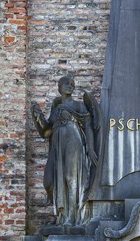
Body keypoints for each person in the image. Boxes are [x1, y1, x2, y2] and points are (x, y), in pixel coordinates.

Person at [32, 75, 99, 227]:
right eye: (66, 84)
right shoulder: (55, 109)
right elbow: (46, 132)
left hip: (73, 140)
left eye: (72, 84)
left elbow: (88, 126)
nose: (70, 86)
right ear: (59, 87)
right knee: (49, 180)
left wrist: (90, 147)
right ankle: (61, 214)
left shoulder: (78, 105)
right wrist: (37, 115)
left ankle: (71, 218)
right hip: (57, 144)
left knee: (70, 178)